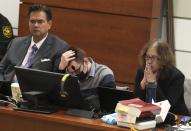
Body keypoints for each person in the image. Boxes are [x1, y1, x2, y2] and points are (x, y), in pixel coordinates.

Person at [0, 4, 70, 96]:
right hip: (6, 93)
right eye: (32, 21)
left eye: (40, 22)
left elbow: (56, 79)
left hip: (34, 97)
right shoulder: (16, 43)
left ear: (49, 24)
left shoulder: (60, 47)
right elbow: (1, 68)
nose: (36, 25)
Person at [134, 40, 189, 115]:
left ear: (163, 59)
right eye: (147, 57)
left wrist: (153, 83)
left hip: (176, 118)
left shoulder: (177, 77)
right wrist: (142, 86)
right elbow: (136, 105)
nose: (149, 61)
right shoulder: (142, 71)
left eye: (153, 58)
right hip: (149, 116)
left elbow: (167, 107)